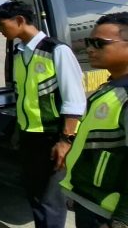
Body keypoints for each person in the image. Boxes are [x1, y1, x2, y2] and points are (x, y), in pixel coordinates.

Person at [0, 0, 86, 228]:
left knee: (50, 199)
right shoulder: (19, 52)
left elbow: (74, 100)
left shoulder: (56, 51)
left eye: (1, 25)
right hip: (28, 134)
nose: (0, 31)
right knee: (34, 193)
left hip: (52, 137)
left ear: (20, 20)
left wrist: (65, 141)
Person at [60, 12, 128, 228]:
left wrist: (122, 219)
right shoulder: (112, 85)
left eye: (99, 43)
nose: (89, 49)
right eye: (88, 42)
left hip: (107, 212)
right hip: (91, 201)